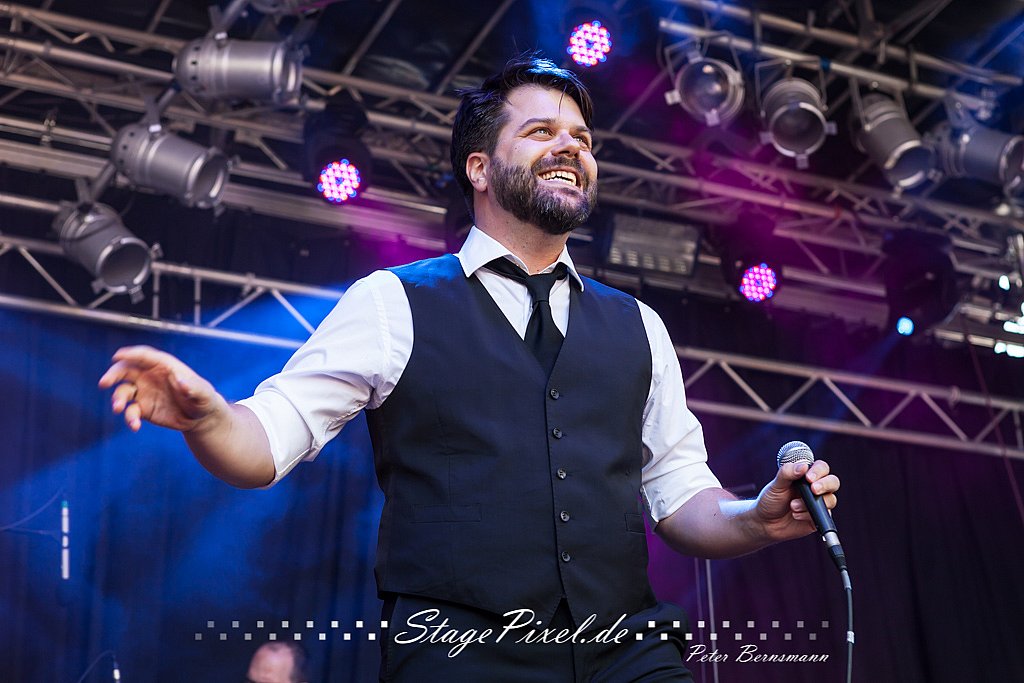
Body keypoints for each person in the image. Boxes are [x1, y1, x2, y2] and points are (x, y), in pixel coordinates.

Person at [99, 54, 840, 682]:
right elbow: (265, 442)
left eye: (582, 139)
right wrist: (209, 419)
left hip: (624, 651)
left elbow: (681, 495)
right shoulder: (393, 302)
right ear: (479, 168)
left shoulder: (638, 326)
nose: (570, 146)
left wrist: (755, 519)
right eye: (541, 131)